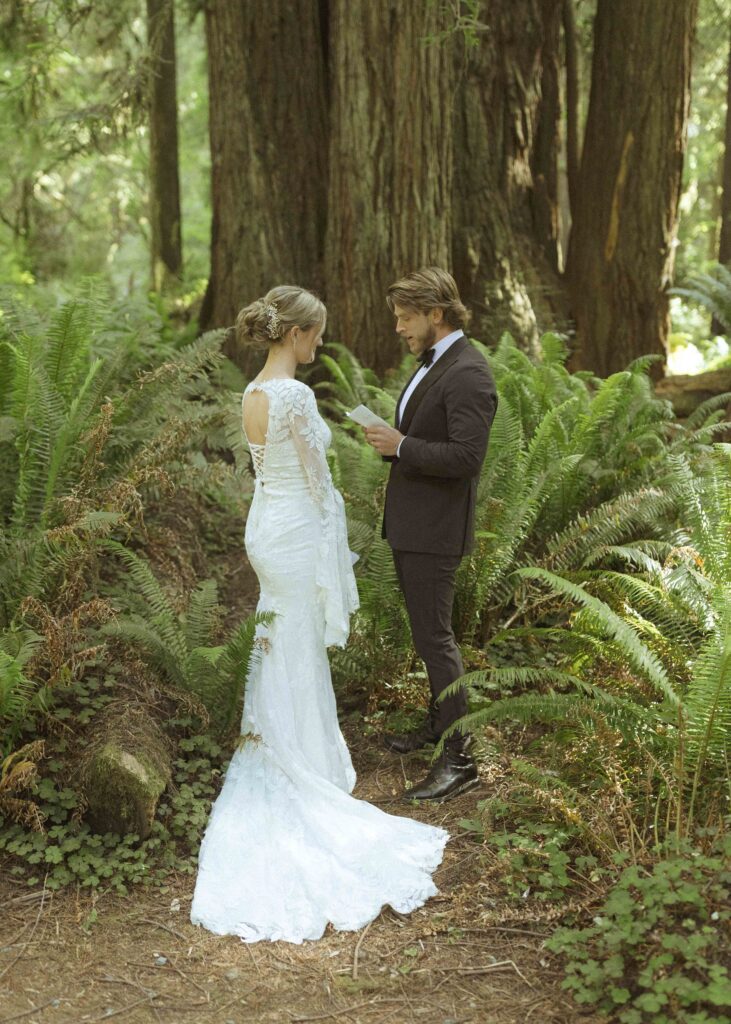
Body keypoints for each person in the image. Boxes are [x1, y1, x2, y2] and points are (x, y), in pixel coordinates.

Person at [190, 285, 448, 943]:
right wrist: (340, 538)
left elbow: (267, 471)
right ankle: (300, 764)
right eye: (316, 335)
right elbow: (318, 484)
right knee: (295, 643)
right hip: (297, 529)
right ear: (297, 333)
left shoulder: (250, 393)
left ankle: (278, 744)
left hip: (264, 529)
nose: (319, 346)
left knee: (279, 639)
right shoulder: (295, 397)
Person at [364, 267, 498, 804]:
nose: (399, 328)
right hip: (414, 525)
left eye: (406, 317)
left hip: (436, 531)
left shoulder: (469, 372)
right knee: (426, 636)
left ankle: (461, 758)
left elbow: (468, 458)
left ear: (436, 314)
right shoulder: (435, 364)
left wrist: (401, 447)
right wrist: (396, 443)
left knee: (437, 640)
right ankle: (439, 725)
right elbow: (426, 435)